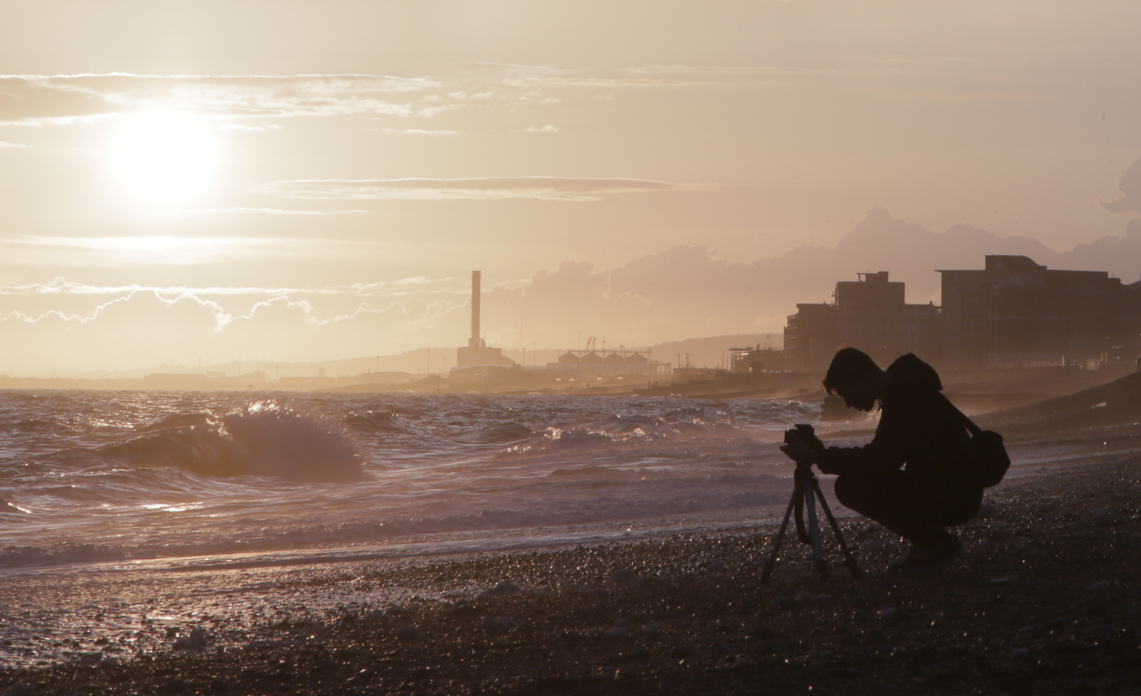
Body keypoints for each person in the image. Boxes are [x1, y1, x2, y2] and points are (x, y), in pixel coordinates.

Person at [780, 347, 983, 572]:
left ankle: (936, 543)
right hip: (953, 487)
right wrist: (822, 454)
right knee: (861, 480)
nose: (848, 403)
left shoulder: (906, 399)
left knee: (851, 487)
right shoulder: (907, 389)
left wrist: (815, 455)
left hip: (954, 495)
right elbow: (881, 458)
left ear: (867, 378)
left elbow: (879, 461)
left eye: (849, 393)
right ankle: (929, 542)